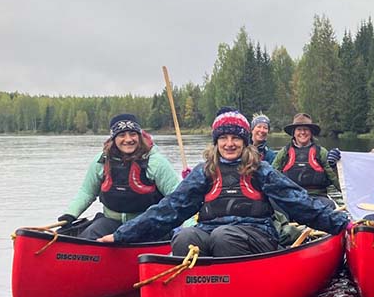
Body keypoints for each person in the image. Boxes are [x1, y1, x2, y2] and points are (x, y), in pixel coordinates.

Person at [98, 108, 347, 256]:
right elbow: (169, 209)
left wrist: (342, 224)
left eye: (235, 138)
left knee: (224, 237)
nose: (229, 144)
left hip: (257, 234)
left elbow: (299, 203)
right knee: (184, 237)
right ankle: (196, 294)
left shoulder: (261, 170)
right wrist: (121, 235)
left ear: (244, 142)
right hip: (213, 232)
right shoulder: (204, 172)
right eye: (223, 138)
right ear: (216, 142)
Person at [58, 113, 181, 241]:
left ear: (139, 136)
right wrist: (70, 214)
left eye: (133, 134)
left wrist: (189, 227)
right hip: (111, 222)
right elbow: (87, 192)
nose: (128, 139)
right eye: (122, 135)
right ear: (113, 138)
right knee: (88, 236)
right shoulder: (101, 161)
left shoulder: (156, 162)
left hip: (148, 223)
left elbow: (178, 196)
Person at [271, 113, 338, 209]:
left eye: (306, 129)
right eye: (299, 129)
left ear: (311, 132)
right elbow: (272, 176)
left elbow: (334, 178)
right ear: (294, 133)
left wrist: (334, 166)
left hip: (317, 198)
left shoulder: (321, 152)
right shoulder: (284, 153)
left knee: (330, 204)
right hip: (292, 198)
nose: (302, 132)